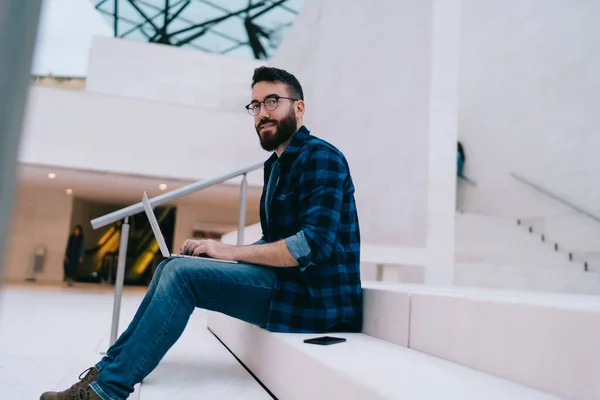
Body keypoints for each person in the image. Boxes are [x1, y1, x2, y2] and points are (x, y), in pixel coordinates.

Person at [40, 66, 362, 400]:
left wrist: (231, 252)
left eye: (271, 102)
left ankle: (106, 391)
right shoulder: (276, 166)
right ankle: (105, 372)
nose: (261, 114)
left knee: (182, 275)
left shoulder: (322, 157)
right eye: (255, 106)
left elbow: (311, 245)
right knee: (170, 265)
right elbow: (275, 239)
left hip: (315, 300)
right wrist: (222, 257)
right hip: (288, 285)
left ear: (299, 108)